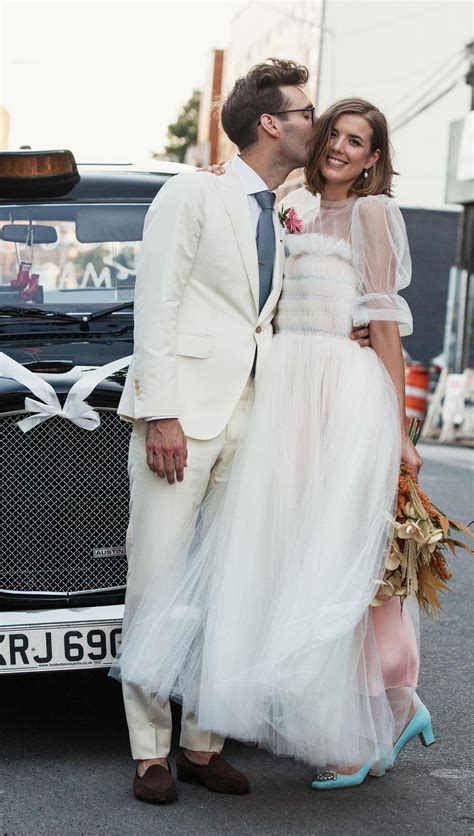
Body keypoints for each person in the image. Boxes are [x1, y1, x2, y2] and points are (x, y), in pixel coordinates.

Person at [113, 95, 435, 791]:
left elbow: (384, 330)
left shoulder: (372, 214)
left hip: (334, 399)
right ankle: (162, 747)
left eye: (356, 139)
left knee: (333, 558)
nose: (337, 144)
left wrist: (399, 432)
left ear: (376, 157)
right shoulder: (285, 205)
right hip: (277, 398)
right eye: (329, 129)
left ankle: (387, 703)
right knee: (274, 562)